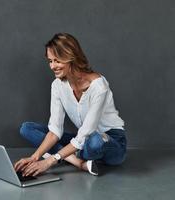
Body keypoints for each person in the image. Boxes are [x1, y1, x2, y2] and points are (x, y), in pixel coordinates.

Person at [14, 33, 127, 177]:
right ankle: (80, 162)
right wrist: (34, 157)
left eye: (57, 61)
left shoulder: (99, 86)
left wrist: (49, 161)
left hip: (112, 142)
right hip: (83, 138)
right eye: (50, 61)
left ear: (71, 58)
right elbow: (55, 131)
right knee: (27, 129)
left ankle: (74, 156)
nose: (52, 66)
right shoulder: (57, 86)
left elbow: (87, 132)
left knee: (95, 141)